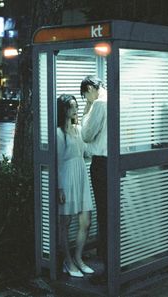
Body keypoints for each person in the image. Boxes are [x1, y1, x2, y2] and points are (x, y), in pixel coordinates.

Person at [57, 94, 94, 278]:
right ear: (63, 109)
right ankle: (68, 261)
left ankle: (78, 258)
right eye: (72, 107)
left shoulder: (78, 129)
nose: (75, 110)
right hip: (67, 177)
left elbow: (87, 150)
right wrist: (59, 188)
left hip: (81, 174)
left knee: (86, 221)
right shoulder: (58, 133)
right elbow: (56, 162)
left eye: (75, 106)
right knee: (65, 222)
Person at [80, 76, 108, 284]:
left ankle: (106, 263)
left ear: (90, 89)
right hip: (116, 163)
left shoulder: (98, 104)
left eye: (85, 96)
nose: (86, 100)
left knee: (104, 213)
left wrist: (86, 109)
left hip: (101, 163)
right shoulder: (117, 98)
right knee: (113, 212)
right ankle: (114, 258)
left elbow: (87, 134)